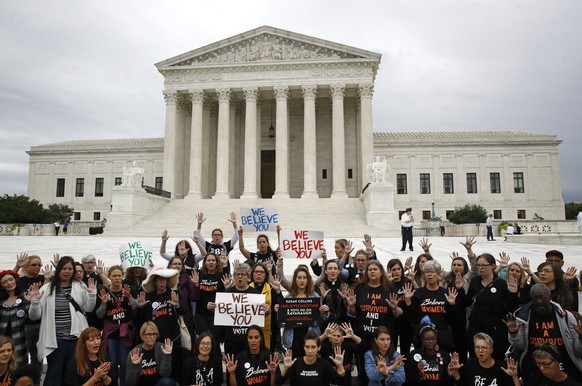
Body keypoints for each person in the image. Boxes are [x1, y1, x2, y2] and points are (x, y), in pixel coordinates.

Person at [27, 256, 97, 386]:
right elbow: (34, 316)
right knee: (54, 373)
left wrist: (92, 295)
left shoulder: (80, 286)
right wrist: (35, 302)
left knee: (73, 374)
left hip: (76, 339)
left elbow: (88, 308)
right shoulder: (46, 288)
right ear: (58, 269)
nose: (67, 271)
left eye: (70, 268)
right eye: (64, 268)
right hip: (55, 340)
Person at [506, 284, 582, 383]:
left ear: (550, 297)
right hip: (534, 369)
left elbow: (577, 351)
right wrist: (514, 333)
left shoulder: (566, 316)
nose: (539, 301)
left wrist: (581, 336)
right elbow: (520, 346)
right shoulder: (523, 317)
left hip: (563, 368)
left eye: (542, 297)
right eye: (535, 298)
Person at [346, 260, 402, 386]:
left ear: (381, 272)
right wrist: (350, 306)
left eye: (375, 269)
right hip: (363, 336)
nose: (372, 271)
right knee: (364, 371)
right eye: (369, 269)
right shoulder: (359, 288)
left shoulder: (390, 289)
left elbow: (398, 314)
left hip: (384, 339)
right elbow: (353, 313)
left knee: (385, 369)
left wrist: (394, 308)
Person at [463, 253, 517, 360]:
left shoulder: (501, 284)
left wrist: (513, 293)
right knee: (476, 357)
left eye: (484, 265)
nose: (481, 268)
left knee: (496, 358)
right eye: (479, 265)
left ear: (492, 266)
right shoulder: (475, 282)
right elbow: (467, 302)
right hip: (476, 327)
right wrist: (460, 289)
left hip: (495, 329)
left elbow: (511, 307)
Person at [137, 268, 184, 383]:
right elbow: (140, 320)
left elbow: (184, 312)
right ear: (154, 282)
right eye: (160, 280)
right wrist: (140, 307)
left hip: (172, 338)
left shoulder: (174, 294)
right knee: (156, 367)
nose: (162, 283)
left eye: (164, 280)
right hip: (153, 340)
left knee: (173, 368)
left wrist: (177, 305)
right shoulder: (148, 297)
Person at [403, 260, 459, 353]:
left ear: (438, 274)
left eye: (432, 272)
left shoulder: (446, 294)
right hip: (422, 337)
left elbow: (453, 319)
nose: (429, 275)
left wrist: (452, 305)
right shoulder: (418, 293)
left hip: (442, 337)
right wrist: (408, 301)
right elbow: (411, 317)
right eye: (427, 272)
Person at [96, 265, 137, 386]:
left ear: (123, 276)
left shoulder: (128, 290)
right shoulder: (104, 291)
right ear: (109, 277)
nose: (117, 278)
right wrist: (103, 304)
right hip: (111, 332)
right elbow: (99, 315)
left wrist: (129, 297)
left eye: (119, 275)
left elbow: (136, 309)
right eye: (114, 276)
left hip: (125, 332)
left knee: (124, 362)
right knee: (112, 362)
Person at [447, 333, 520, 386]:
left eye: (484, 347)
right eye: (477, 347)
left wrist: (514, 377)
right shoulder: (471, 364)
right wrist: (456, 372)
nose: (480, 350)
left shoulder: (502, 368)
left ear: (491, 350)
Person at [13, 254, 45, 376]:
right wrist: (17, 266)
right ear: (26, 266)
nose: (37, 267)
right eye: (34, 265)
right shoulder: (19, 281)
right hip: (24, 325)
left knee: (38, 358)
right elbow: (5, 280)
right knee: (21, 357)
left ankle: (35, 382)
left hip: (41, 323)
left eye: (39, 265)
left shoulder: (44, 278)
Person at [281, 330, 345, 386]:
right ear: (304, 347)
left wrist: (340, 366)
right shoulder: (296, 363)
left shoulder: (325, 364)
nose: (310, 351)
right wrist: (285, 367)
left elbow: (340, 382)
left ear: (319, 348)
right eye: (307, 347)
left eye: (313, 347)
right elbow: (278, 382)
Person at [125, 321, 174, 386]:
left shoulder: (161, 348)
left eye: (154, 334)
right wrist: (135, 366)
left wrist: (167, 356)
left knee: (167, 382)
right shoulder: (134, 352)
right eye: (149, 334)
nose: (152, 337)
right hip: (141, 384)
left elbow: (165, 374)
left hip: (157, 383)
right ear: (142, 336)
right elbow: (129, 383)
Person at [0, 270, 29, 367]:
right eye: (4, 282)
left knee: (18, 369)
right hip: (2, 341)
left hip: (19, 341)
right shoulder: (1, 300)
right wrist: (17, 267)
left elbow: (33, 317)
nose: (9, 283)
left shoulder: (24, 298)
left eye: (11, 279)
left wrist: (33, 302)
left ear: (16, 280)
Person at [388, 258, 414, 357]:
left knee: (405, 350)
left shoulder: (407, 282)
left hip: (406, 320)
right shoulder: (387, 284)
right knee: (391, 348)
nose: (396, 272)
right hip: (392, 320)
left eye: (398, 269)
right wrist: (389, 284)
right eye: (393, 270)